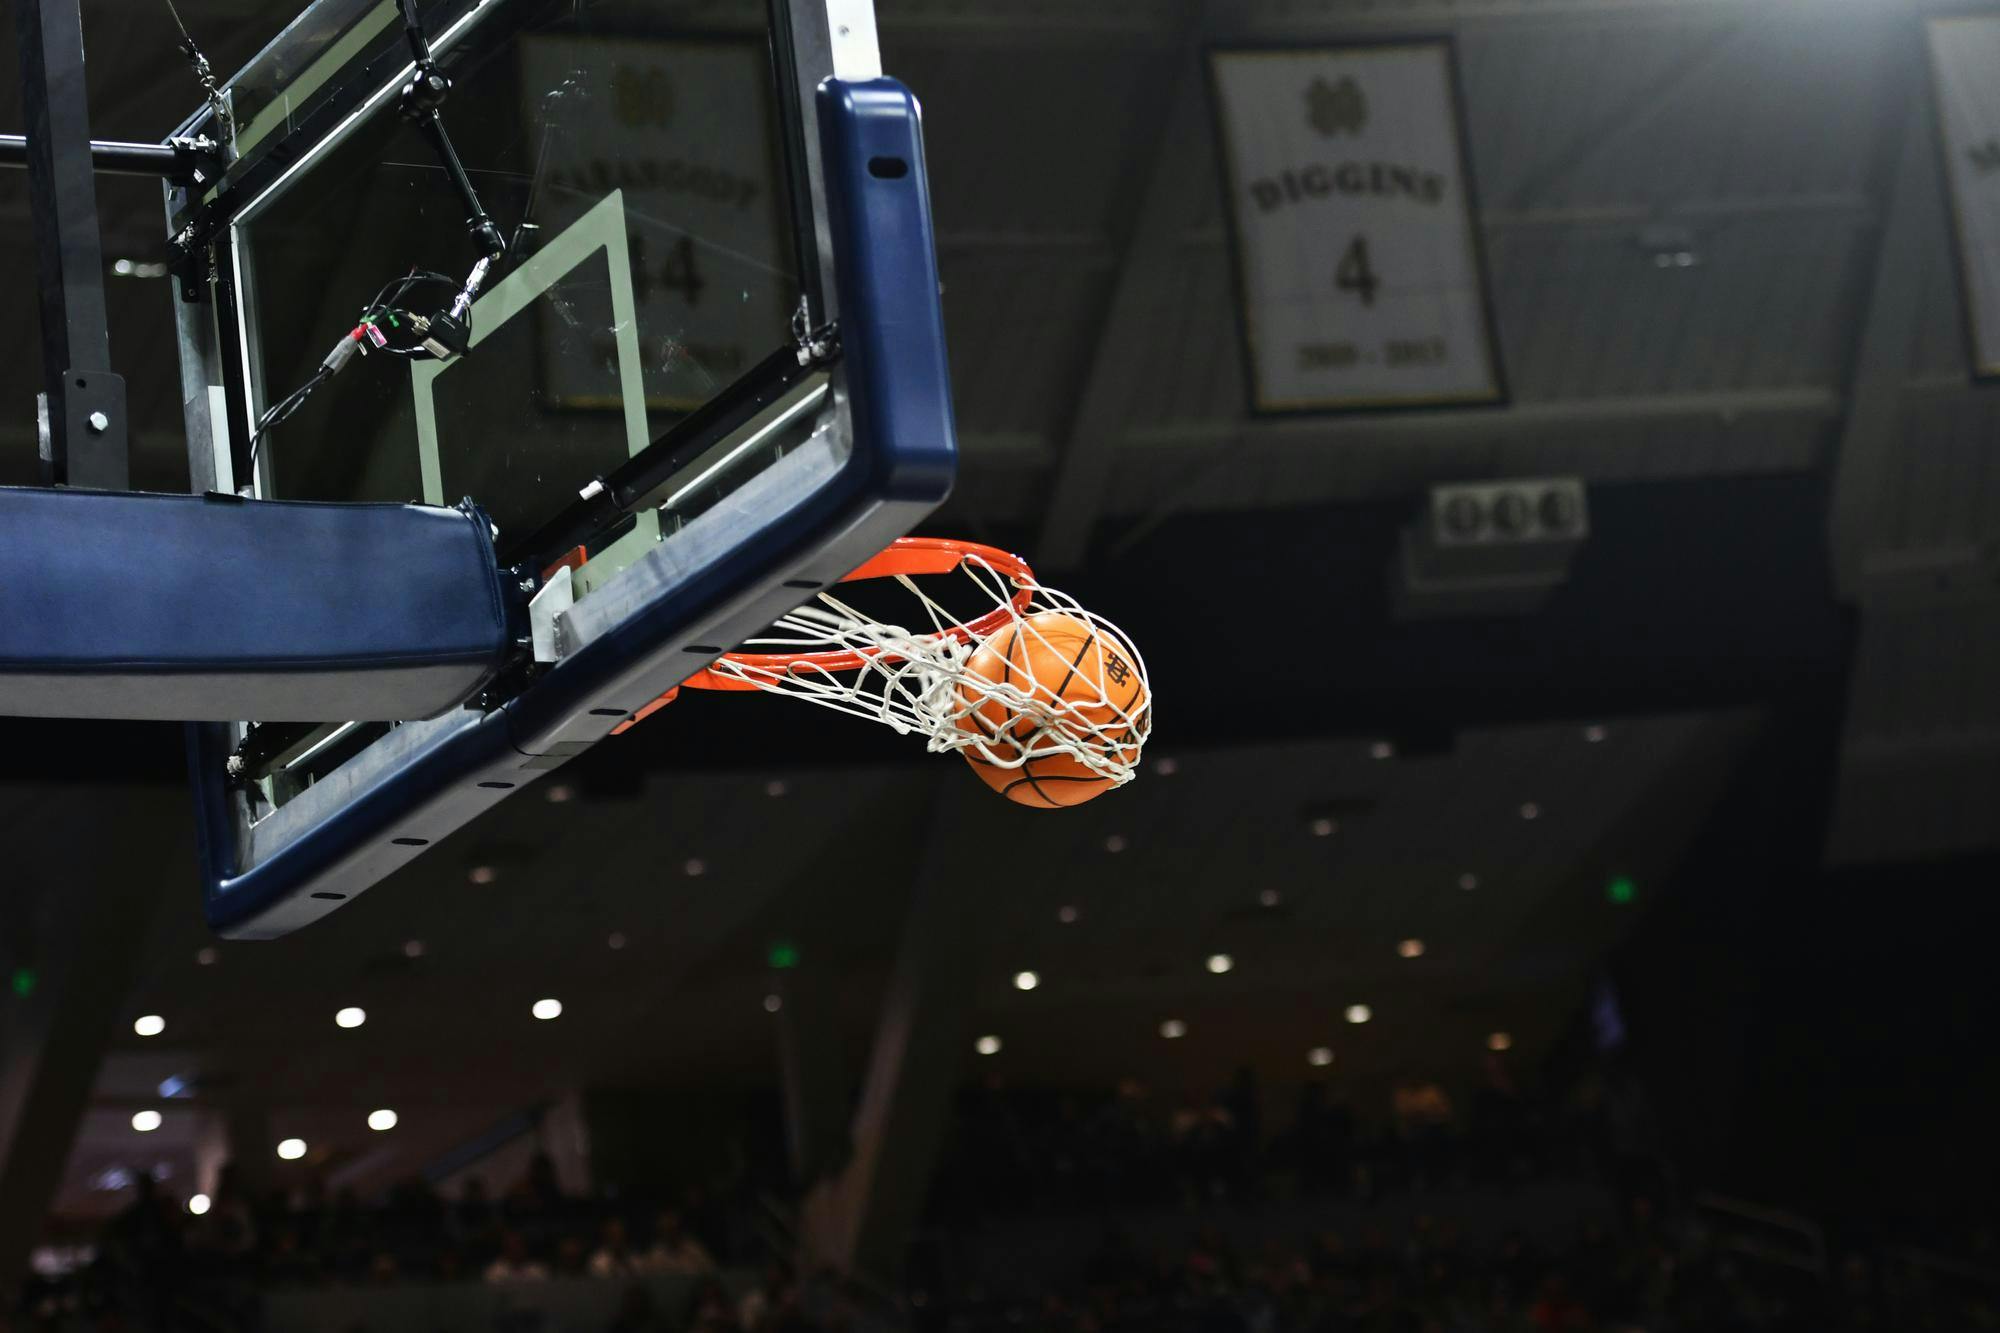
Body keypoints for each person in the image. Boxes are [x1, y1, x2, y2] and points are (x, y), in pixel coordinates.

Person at [642, 1209, 716, 1275]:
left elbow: (712, 1275)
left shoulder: (695, 1251)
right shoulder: (654, 1256)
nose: (670, 1231)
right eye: (667, 1229)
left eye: (673, 1229)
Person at [482, 1229, 550, 1284]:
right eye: (512, 1246)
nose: (516, 1250)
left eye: (519, 1245)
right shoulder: (495, 1272)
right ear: (505, 1249)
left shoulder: (538, 1271)